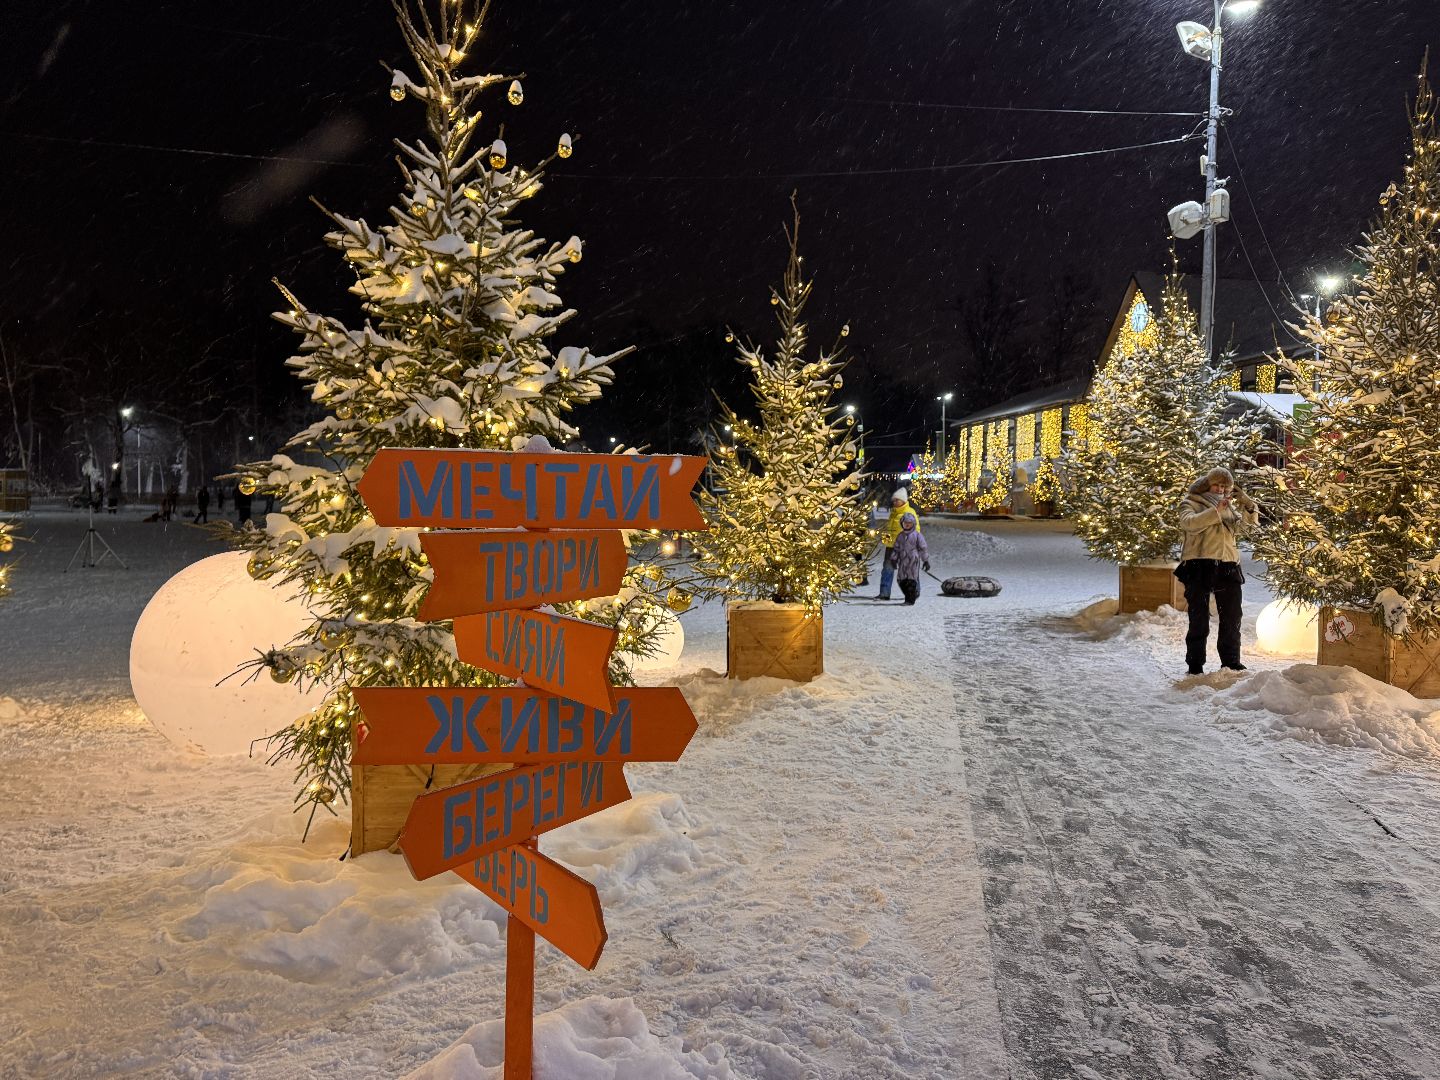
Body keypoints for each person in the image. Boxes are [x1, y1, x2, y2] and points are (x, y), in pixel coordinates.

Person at [1176, 466, 1260, 675]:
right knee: (1199, 619)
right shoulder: (1191, 503)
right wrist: (1216, 512)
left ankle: (1231, 662)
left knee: (1232, 617)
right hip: (1199, 565)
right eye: (1217, 485)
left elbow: (1246, 530)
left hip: (1228, 565)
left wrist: (1249, 506)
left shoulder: (1229, 507)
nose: (1221, 489)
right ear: (1207, 484)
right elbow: (1189, 524)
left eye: (1225, 486)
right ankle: (1195, 665)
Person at [874, 488, 920, 600]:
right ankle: (884, 593)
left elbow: (915, 530)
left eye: (897, 500)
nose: (894, 502)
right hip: (891, 548)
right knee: (887, 569)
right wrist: (886, 540)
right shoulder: (894, 513)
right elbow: (889, 529)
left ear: (903, 501)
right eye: (894, 500)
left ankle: (914, 591)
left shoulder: (909, 513)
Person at [891, 512, 930, 605]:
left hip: (913, 561)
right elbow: (896, 548)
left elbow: (923, 548)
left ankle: (909, 600)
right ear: (902, 524)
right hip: (902, 561)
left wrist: (925, 561)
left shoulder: (917, 535)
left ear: (913, 524)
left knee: (911, 580)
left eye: (910, 523)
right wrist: (894, 559)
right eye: (905, 523)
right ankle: (911, 594)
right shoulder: (900, 536)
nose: (907, 525)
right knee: (901, 580)